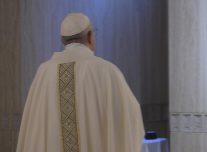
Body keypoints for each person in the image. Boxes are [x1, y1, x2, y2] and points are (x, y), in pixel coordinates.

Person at [16, 13, 145, 152]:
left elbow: (34, 130)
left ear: (62, 40)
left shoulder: (44, 72)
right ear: (90, 37)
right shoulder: (107, 71)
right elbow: (130, 118)